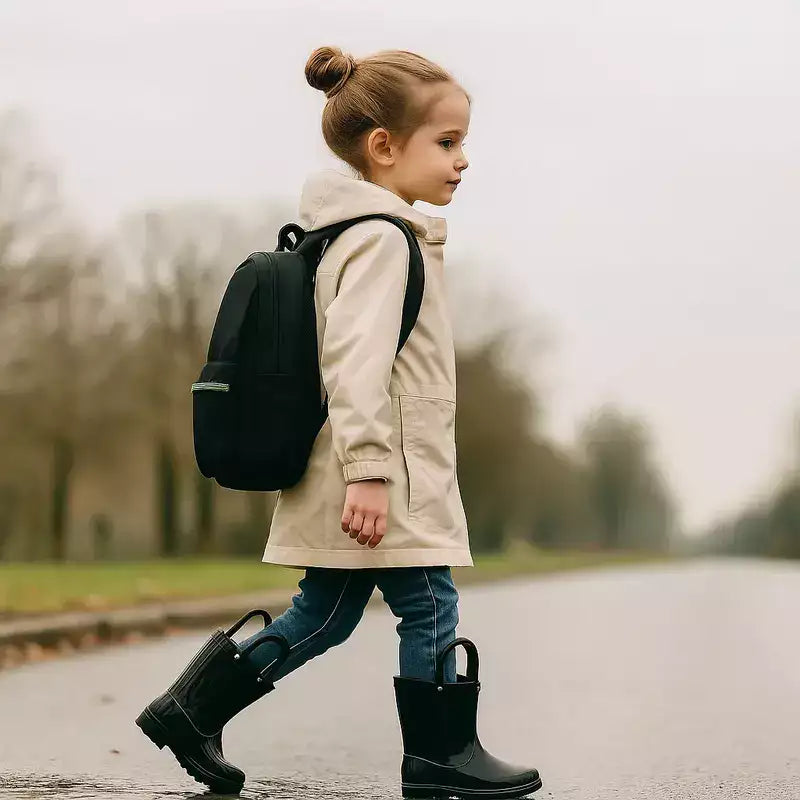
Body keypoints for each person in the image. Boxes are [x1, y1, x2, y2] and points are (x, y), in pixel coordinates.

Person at [135, 46, 542, 800]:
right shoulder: (384, 240)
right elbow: (355, 367)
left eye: (463, 143)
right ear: (384, 147)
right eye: (446, 142)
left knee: (324, 615)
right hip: (382, 470)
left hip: (361, 465)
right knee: (428, 602)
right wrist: (371, 473)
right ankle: (439, 756)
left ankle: (191, 711)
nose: (463, 161)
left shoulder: (353, 234)